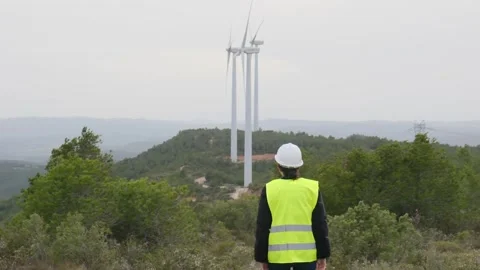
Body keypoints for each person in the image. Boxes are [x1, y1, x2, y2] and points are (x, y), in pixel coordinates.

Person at [254, 143, 330, 270]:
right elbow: (320, 225)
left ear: (278, 166)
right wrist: (323, 255)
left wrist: (262, 258)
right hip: (306, 259)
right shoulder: (312, 188)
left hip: (277, 260)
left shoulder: (269, 189)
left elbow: (263, 226)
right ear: (299, 166)